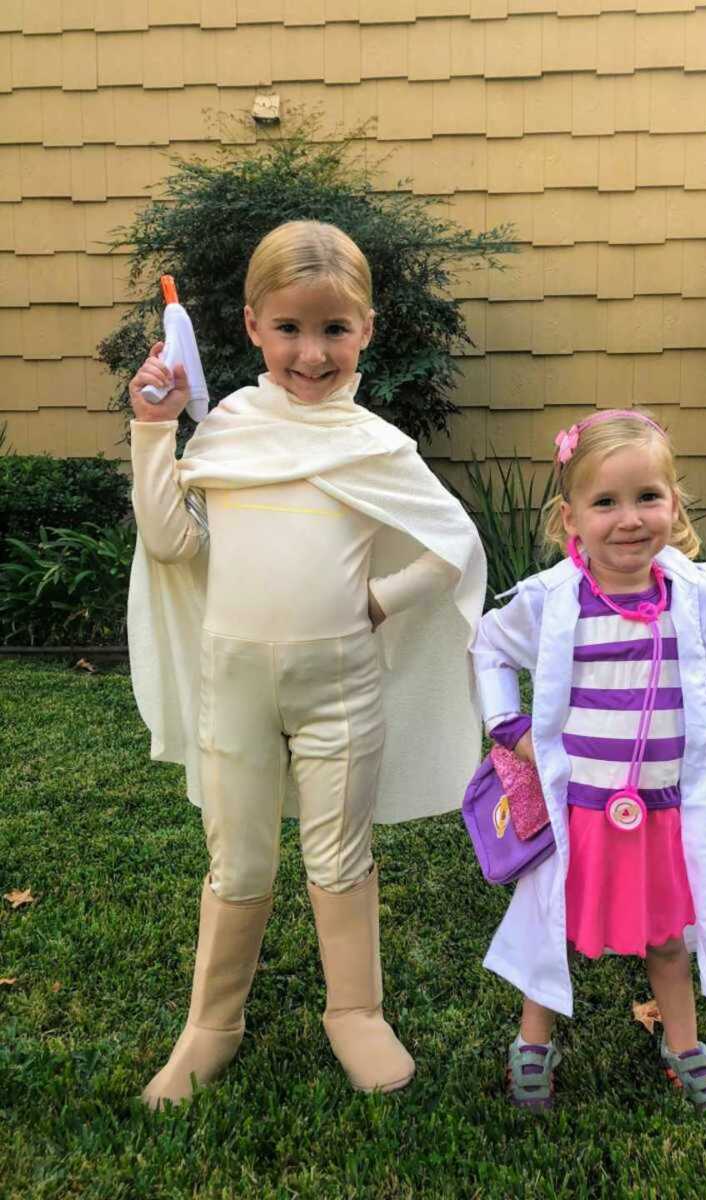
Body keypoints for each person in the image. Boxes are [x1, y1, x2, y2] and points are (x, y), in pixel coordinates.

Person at [127, 220, 486, 1108]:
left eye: (334, 329)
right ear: (253, 326)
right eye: (290, 328)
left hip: (341, 691)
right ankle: (211, 1024)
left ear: (366, 328)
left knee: (338, 853)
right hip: (235, 687)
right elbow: (173, 543)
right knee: (239, 861)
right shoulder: (228, 432)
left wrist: (376, 602)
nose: (312, 352)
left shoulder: (376, 446)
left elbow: (453, 544)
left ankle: (354, 1011)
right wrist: (152, 432)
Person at [470, 409, 706, 1116]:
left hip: (662, 807)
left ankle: (682, 1042)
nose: (629, 520)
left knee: (667, 933)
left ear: (674, 505)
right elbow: (489, 648)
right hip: (582, 810)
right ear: (570, 517)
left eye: (647, 498)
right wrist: (512, 730)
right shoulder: (551, 601)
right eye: (605, 503)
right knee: (554, 925)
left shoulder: (693, 597)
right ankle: (534, 1042)